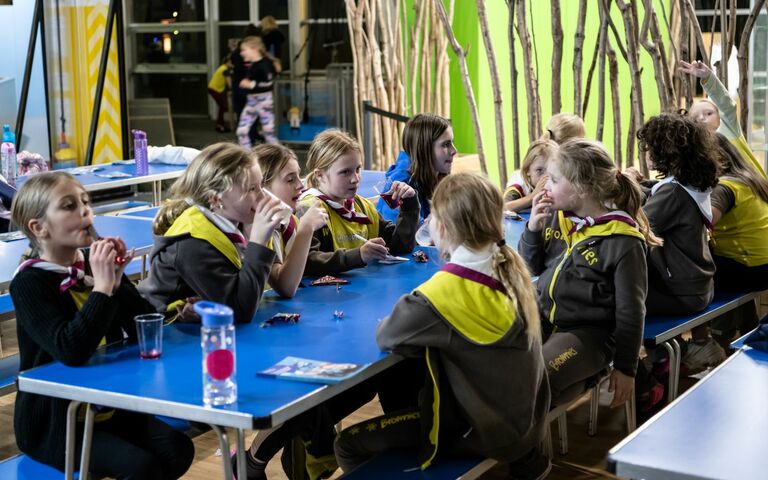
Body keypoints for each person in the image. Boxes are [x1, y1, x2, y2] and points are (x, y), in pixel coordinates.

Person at [334, 173, 551, 480]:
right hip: (528, 420)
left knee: (347, 444)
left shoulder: (443, 292)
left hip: (483, 431)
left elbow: (386, 335)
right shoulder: (507, 260)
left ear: (443, 227)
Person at [9, 172, 194, 479]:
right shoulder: (30, 283)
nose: (85, 211)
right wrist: (103, 287)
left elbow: (145, 329)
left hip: (105, 407)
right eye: (69, 206)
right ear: (38, 227)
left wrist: (118, 281)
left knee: (178, 449)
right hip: (55, 423)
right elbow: (71, 349)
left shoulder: (89, 265)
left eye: (85, 202)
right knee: (141, 467)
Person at [519, 139, 658, 409]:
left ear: (582, 188)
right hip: (545, 318)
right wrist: (533, 229)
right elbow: (531, 268)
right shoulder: (558, 215)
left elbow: (631, 311)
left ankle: (590, 375)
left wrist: (626, 368)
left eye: (555, 180)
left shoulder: (623, 239)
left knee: (533, 381)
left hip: (588, 335)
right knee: (494, 364)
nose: (545, 186)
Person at [139, 143, 281, 324]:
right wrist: (259, 242)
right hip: (164, 335)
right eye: (252, 189)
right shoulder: (192, 242)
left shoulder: (231, 225)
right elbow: (240, 311)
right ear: (215, 199)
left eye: (261, 185)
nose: (264, 197)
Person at [299, 129, 420, 275]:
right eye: (345, 172)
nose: (355, 178)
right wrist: (359, 255)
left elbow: (399, 247)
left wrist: (409, 205)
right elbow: (307, 262)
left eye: (357, 169)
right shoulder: (309, 209)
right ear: (320, 175)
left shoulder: (362, 206)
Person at [708, 133, 768, 347]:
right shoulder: (751, 180)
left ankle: (715, 337)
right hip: (763, 267)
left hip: (749, 270)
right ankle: (747, 328)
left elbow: (708, 217)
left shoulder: (723, 187)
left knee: (695, 268)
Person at [253, 143, 328, 297]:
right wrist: (306, 230)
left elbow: (310, 263)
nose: (300, 185)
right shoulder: (257, 226)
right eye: (290, 180)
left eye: (298, 176)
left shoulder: (290, 220)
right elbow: (286, 287)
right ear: (262, 187)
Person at [679, 59, 767, 177]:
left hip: (755, 190)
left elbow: (726, 104)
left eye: (708, 113)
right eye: (695, 118)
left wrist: (708, 78)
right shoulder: (697, 150)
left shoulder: (728, 130)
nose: (702, 118)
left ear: (720, 116)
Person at [378, 113, 456, 220]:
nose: (454, 151)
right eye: (445, 144)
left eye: (452, 142)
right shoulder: (399, 187)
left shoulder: (437, 178)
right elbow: (397, 233)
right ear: (425, 148)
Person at [237, 36, 279, 147]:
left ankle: (283, 159)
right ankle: (248, 159)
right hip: (252, 102)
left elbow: (268, 84)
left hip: (264, 102)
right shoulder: (253, 65)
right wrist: (249, 82)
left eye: (244, 50)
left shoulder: (265, 65)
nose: (241, 53)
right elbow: (258, 81)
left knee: (268, 132)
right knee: (242, 131)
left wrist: (250, 84)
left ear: (254, 49)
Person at [504, 139, 558, 212]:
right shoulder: (519, 187)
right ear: (527, 170)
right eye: (539, 170)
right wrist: (532, 196)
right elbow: (503, 208)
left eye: (552, 170)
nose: (546, 177)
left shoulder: (558, 185)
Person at [207, 56, 232, 133]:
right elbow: (229, 82)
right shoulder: (225, 69)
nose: (232, 64)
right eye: (231, 63)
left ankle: (220, 124)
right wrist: (231, 89)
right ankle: (220, 125)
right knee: (223, 106)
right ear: (227, 62)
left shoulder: (222, 67)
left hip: (215, 89)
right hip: (215, 89)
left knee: (223, 106)